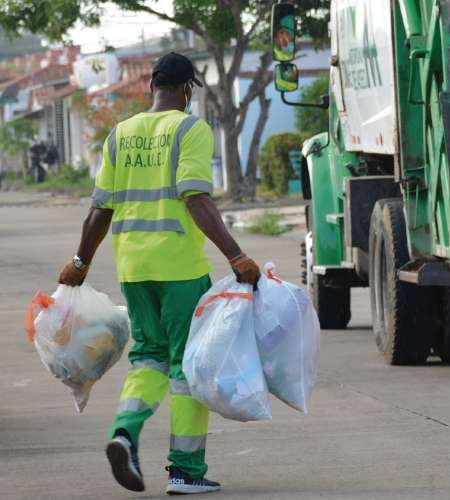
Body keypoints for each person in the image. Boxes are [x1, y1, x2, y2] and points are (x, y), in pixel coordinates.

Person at [57, 52, 261, 495]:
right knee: (189, 366)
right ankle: (186, 469)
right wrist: (236, 255)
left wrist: (79, 263)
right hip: (180, 270)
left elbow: (99, 210)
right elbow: (196, 198)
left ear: (152, 86)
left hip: (132, 268)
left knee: (149, 356)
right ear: (188, 88)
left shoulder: (120, 133)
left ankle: (125, 432)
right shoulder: (190, 128)